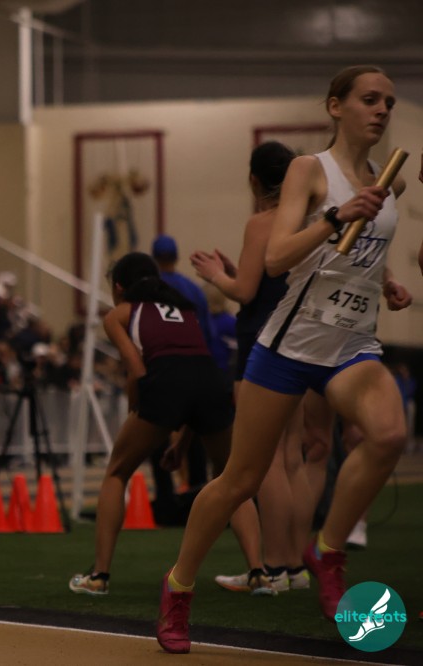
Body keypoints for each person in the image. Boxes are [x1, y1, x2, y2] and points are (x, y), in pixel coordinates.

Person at [158, 65, 413, 654]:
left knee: (388, 433)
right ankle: (179, 587)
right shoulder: (308, 171)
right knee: (240, 479)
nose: (381, 110)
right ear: (335, 106)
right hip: (289, 346)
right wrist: (334, 217)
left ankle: (328, 553)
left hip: (351, 345)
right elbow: (276, 260)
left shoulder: (388, 179)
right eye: (369, 99)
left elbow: (365, 252)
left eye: (389, 102)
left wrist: (387, 282)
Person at [191, 141, 322, 594]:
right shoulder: (309, 222)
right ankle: (297, 567)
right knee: (292, 458)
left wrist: (215, 276)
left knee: (262, 462)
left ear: (254, 181)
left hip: (261, 346)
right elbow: (266, 282)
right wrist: (235, 271)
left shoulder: (263, 222)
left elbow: (244, 293)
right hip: (299, 340)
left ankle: (274, 568)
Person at [68, 252, 238, 596]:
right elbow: (194, 372)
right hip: (211, 383)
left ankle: (99, 576)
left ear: (119, 287)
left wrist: (138, 407)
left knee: (117, 472)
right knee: (234, 478)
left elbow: (137, 368)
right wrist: (183, 440)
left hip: (166, 384)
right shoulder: (186, 308)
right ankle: (261, 571)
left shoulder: (121, 313)